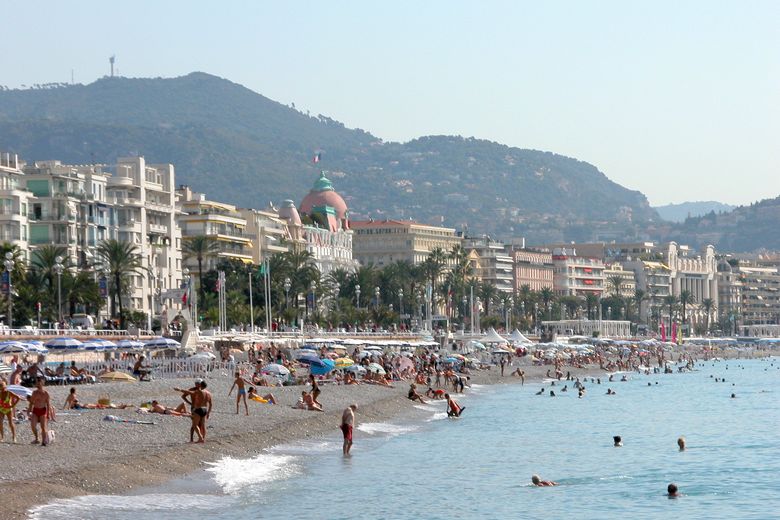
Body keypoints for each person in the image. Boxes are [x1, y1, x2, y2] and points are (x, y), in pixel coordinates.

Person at [28, 378, 51, 446]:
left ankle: (44, 441)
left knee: (43, 427)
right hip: (35, 410)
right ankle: (37, 438)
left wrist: (48, 414)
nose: (37, 383)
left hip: (43, 411)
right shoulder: (34, 392)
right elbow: (31, 402)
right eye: (36, 382)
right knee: (33, 426)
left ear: (42, 383)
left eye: (39, 382)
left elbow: (48, 404)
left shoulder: (46, 393)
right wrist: (29, 410)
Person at [63, 388, 130, 410]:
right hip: (81, 406)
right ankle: (118, 407)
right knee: (97, 406)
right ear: (74, 391)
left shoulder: (69, 396)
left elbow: (66, 402)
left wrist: (64, 408)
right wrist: (69, 408)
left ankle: (118, 406)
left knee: (97, 405)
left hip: (82, 405)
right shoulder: (73, 396)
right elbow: (72, 403)